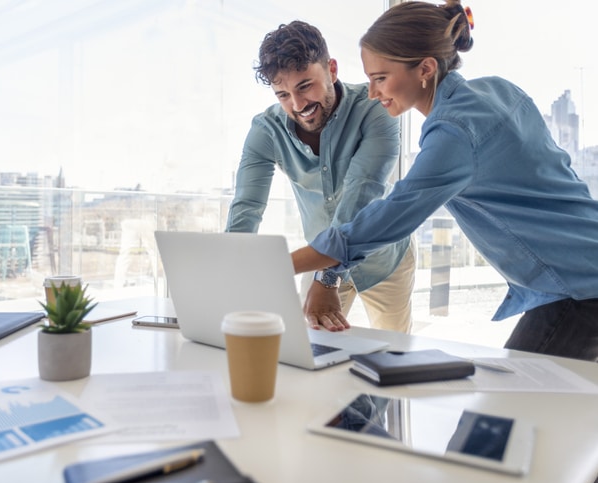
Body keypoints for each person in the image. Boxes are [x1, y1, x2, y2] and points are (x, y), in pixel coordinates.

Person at [291, 0, 598, 361]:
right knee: (528, 411)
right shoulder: (499, 90)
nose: (373, 93)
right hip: (582, 267)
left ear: (425, 68)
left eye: (380, 78)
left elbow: (390, 216)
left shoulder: (454, 132)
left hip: (578, 288)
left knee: (509, 410)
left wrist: (279, 266)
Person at [226, 21, 416, 333]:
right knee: (313, 355)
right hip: (318, 264)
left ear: (331, 69)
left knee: (393, 355)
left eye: (304, 86)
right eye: (283, 94)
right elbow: (247, 207)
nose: (298, 105)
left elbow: (360, 194)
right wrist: (228, 270)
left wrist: (327, 277)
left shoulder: (375, 110)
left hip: (384, 262)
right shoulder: (266, 130)